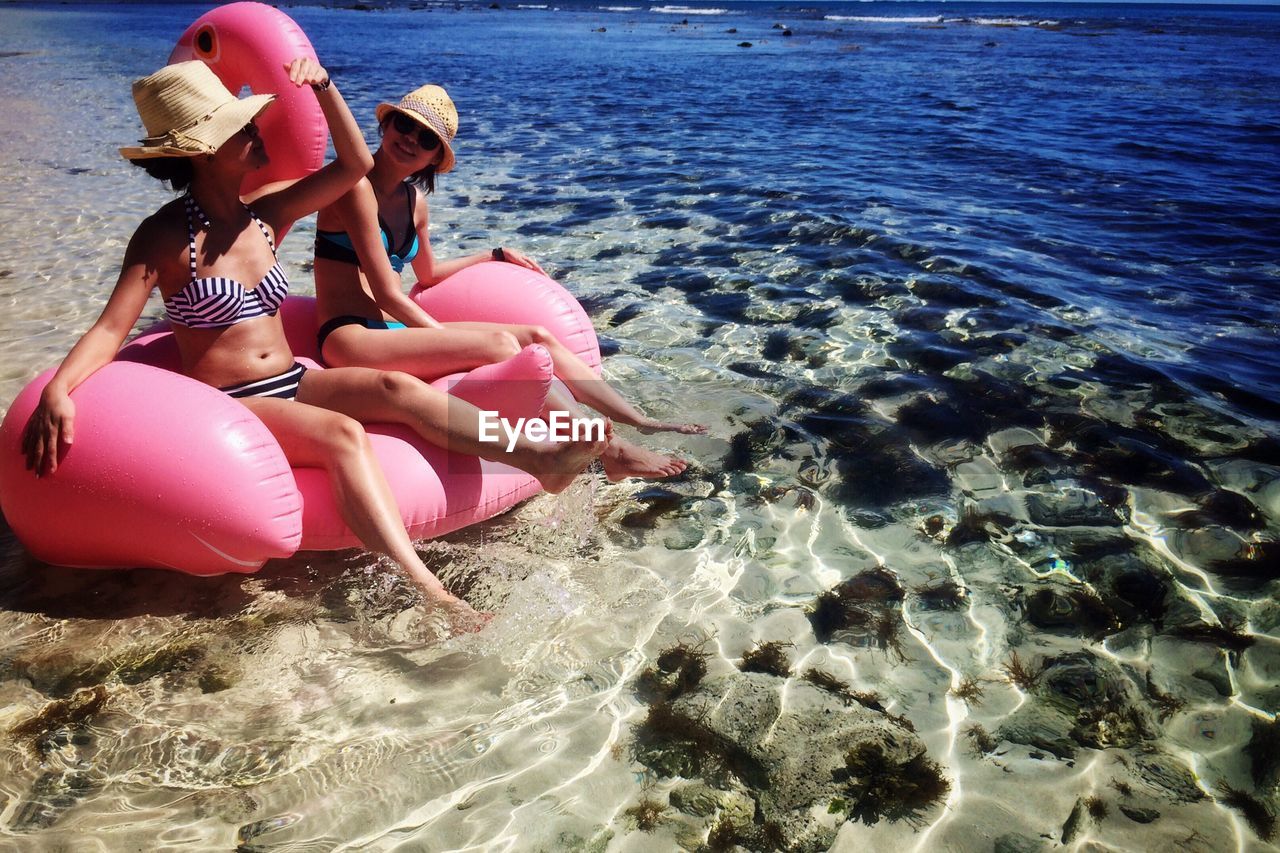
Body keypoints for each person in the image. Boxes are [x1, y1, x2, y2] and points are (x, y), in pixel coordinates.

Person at [21, 59, 604, 624]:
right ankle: (426, 586)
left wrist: (325, 86)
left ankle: (540, 459)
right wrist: (59, 390)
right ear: (202, 152)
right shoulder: (165, 238)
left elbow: (354, 164)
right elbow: (108, 330)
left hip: (296, 378)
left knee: (394, 385)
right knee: (344, 435)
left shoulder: (266, 216)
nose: (256, 132)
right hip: (238, 401)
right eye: (241, 129)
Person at [311, 84, 706, 482]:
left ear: (435, 156)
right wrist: (447, 340)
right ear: (386, 125)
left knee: (537, 336)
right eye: (404, 125)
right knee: (501, 346)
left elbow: (426, 274)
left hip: (392, 333)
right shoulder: (354, 188)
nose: (411, 139)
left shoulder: (416, 203)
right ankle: (612, 450)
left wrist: (492, 254)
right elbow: (386, 293)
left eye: (426, 138)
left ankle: (637, 420)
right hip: (350, 336)